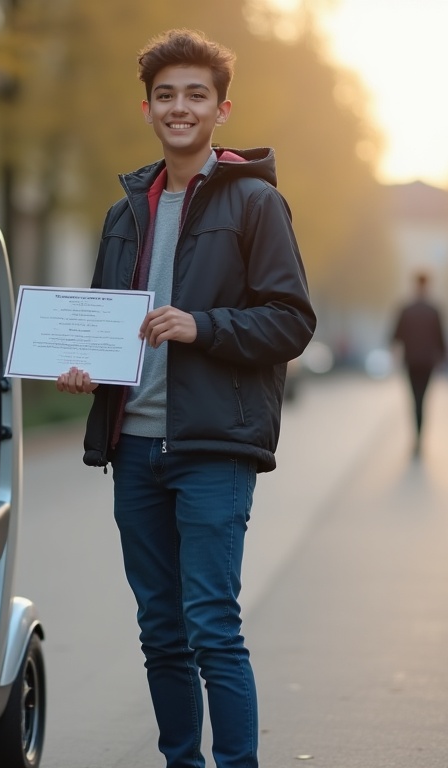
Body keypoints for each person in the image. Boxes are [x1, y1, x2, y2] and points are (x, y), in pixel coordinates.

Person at [55, 28, 316, 768]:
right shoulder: (125, 213)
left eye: (196, 95)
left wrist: (203, 326)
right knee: (161, 634)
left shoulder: (257, 203)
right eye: (165, 95)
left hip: (212, 447)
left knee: (212, 628)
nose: (180, 107)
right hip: (134, 448)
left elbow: (292, 321)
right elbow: (104, 324)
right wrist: (83, 368)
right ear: (147, 109)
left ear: (221, 109)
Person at [390, 271, 447, 455]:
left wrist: (396, 353)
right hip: (427, 362)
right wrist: (443, 358)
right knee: (423, 399)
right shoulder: (434, 311)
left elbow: (395, 336)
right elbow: (441, 338)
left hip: (411, 361)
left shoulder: (406, 310)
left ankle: (417, 438)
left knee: (415, 399)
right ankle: (419, 438)